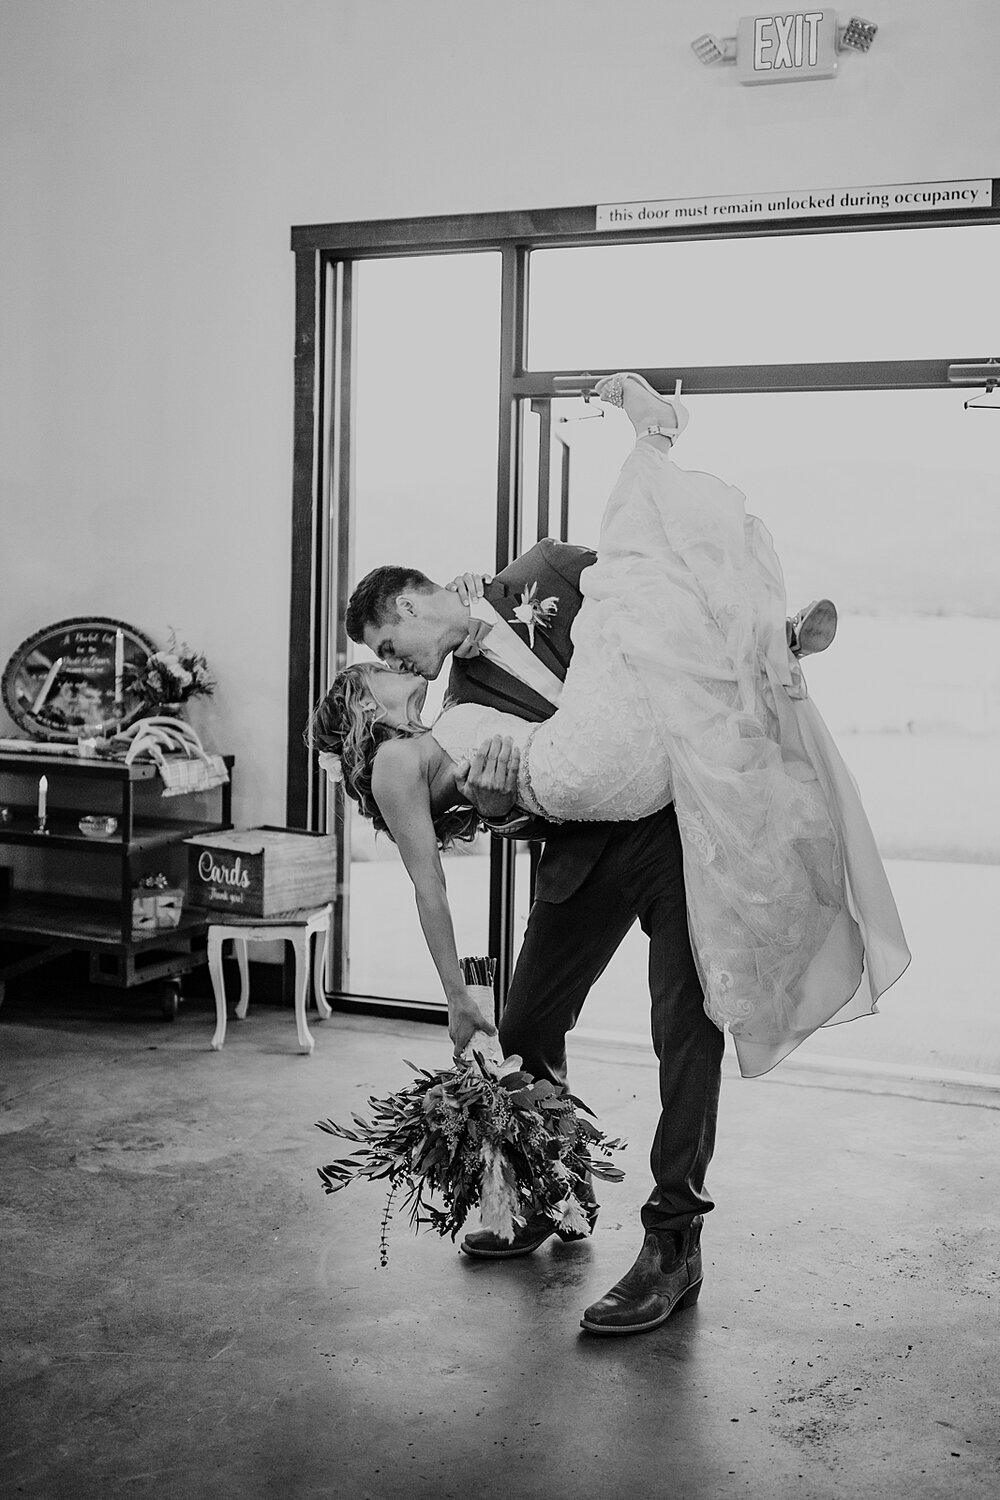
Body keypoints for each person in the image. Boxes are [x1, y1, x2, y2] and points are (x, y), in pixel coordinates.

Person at [309, 373, 909, 1335]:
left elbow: (665, 594)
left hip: (671, 830)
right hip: (579, 851)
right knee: (530, 1018)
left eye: (391, 639)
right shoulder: (458, 702)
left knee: (689, 1022)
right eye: (386, 658)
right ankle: (549, 1187)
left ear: (417, 598)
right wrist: (502, 803)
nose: (402, 664)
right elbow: (492, 800)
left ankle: (674, 1239)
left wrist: (770, 636)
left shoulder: (546, 568)